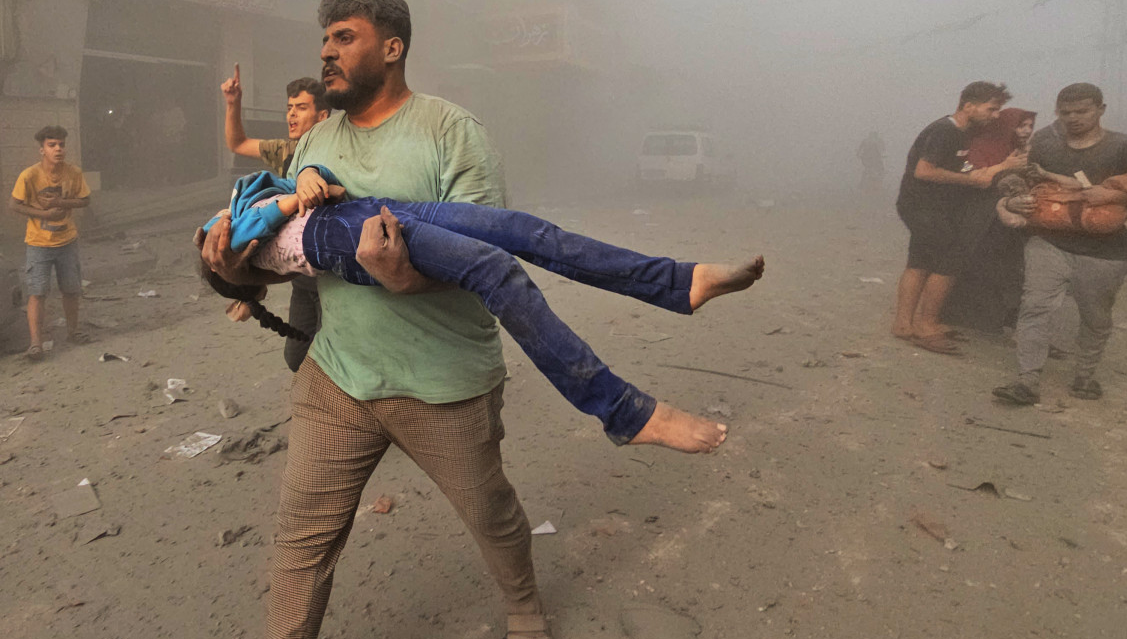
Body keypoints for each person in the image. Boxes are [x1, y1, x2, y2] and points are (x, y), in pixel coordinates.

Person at [196, 0, 737, 639]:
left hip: (442, 382)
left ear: (391, 48)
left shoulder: (452, 130)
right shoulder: (316, 137)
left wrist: (400, 278)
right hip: (337, 378)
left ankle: (524, 613)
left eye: (344, 38)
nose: (326, 53)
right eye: (323, 41)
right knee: (301, 541)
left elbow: (484, 267)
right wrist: (236, 268)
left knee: (492, 515)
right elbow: (297, 262)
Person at [200, 164, 761, 443]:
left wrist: (307, 174)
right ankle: (625, 412)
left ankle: (677, 282)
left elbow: (308, 179)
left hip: (372, 207)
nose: (210, 229)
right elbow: (262, 236)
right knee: (498, 271)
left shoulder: (249, 191)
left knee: (526, 229)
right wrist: (236, 260)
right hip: (343, 239)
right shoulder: (237, 239)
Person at [992, 83, 1127, 406]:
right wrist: (1011, 200)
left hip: (1105, 251)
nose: (1073, 118)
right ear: (1057, 113)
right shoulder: (1043, 144)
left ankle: (1085, 376)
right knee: (1035, 307)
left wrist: (1111, 195)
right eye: (1066, 113)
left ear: (1101, 109)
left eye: (1082, 111)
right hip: (1048, 241)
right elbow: (1015, 178)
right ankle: (1027, 380)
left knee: (1095, 316)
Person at [892, 81, 1025, 354]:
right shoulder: (945, 131)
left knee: (919, 261)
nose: (995, 115)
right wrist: (968, 180)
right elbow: (924, 171)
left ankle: (903, 324)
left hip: (928, 207)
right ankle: (927, 325)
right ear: (968, 105)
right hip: (923, 207)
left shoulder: (965, 132)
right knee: (949, 262)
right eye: (991, 109)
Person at [221, 67, 331, 371]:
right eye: (289, 108)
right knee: (296, 357)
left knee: (334, 357)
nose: (291, 116)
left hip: (334, 271)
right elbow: (238, 144)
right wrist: (233, 103)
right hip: (301, 277)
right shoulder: (285, 150)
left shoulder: (338, 149)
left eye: (302, 108)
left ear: (322, 116)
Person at [942, 108, 1037, 332]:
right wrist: (1004, 170)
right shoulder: (981, 147)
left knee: (1010, 270)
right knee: (980, 268)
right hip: (980, 220)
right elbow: (971, 175)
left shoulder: (1023, 150)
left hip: (1009, 224)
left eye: (1030, 126)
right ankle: (970, 319)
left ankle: (1006, 320)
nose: (1026, 131)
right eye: (1021, 125)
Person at [9, 126, 92, 360]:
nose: (58, 149)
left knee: (71, 289)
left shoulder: (74, 173)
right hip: (38, 243)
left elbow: (85, 200)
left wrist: (62, 202)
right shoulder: (29, 175)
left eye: (61, 145)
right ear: (42, 150)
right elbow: (14, 205)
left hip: (67, 241)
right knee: (37, 293)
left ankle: (74, 332)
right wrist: (43, 214)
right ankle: (36, 344)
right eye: (52, 145)